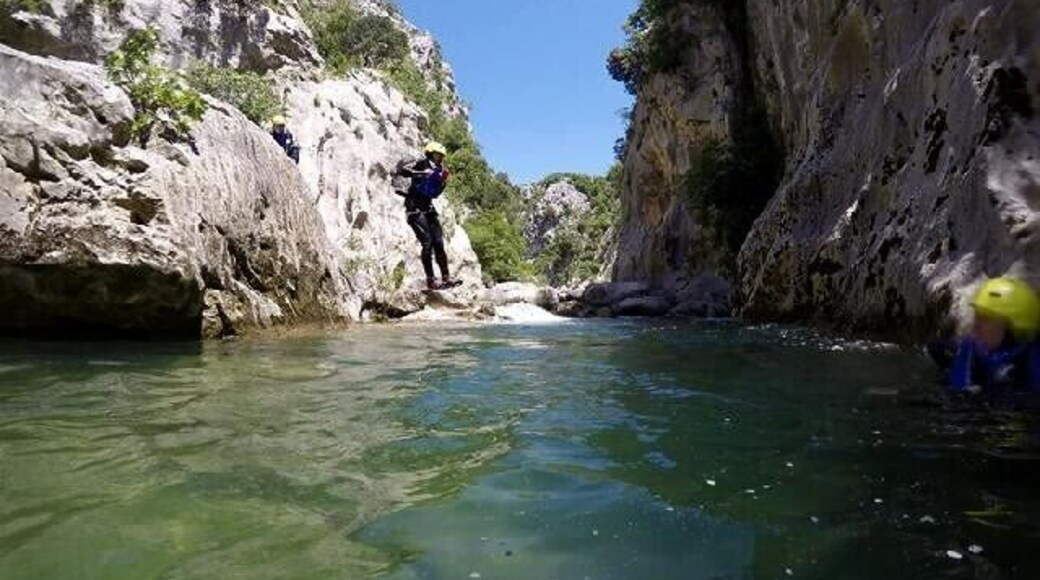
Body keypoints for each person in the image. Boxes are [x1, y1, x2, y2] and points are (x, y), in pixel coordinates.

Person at [946, 277, 1040, 396]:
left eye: (986, 318)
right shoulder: (970, 348)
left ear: (1011, 327)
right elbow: (958, 392)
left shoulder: (1032, 358)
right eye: (977, 316)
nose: (976, 326)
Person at [395, 141, 460, 290]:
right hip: (414, 208)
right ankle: (431, 279)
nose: (439, 158)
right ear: (430, 153)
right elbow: (402, 171)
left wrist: (443, 183)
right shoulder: (421, 164)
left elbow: (436, 194)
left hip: (428, 207)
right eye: (437, 155)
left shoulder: (440, 170)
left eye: (441, 156)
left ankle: (446, 277)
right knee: (427, 243)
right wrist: (422, 173)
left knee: (438, 242)